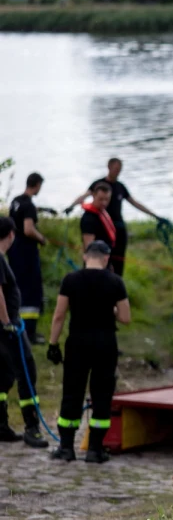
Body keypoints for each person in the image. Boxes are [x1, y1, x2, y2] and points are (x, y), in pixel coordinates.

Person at [46, 240, 130, 463]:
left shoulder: (70, 280)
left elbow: (59, 316)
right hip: (105, 344)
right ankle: (95, 450)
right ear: (106, 258)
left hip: (77, 343)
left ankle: (66, 448)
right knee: (102, 394)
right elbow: (125, 317)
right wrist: (110, 309)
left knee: (72, 392)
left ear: (85, 257)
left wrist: (53, 344)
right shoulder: (116, 282)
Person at [66, 158, 165, 277]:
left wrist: (154, 215)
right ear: (109, 167)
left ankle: (116, 280)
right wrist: (71, 206)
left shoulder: (120, 187)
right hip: (100, 226)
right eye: (116, 169)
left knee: (117, 261)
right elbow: (84, 196)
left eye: (120, 170)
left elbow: (135, 203)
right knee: (98, 255)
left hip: (117, 228)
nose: (118, 172)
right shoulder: (98, 186)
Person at [0, 217, 50, 448]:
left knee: (4, 374)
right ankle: (32, 428)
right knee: (26, 372)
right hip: (8, 327)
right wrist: (6, 322)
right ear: (11, 234)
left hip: (4, 327)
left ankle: (1, 425)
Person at [9, 173, 49, 344]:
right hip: (27, 252)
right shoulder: (29, 206)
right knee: (31, 291)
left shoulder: (16, 201)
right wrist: (42, 239)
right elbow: (28, 229)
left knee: (17, 287)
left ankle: (17, 326)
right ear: (37, 185)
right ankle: (30, 333)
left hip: (13, 249)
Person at [79, 182, 117, 262]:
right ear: (93, 195)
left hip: (106, 260)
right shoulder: (89, 218)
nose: (104, 203)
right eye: (100, 199)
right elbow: (89, 246)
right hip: (95, 263)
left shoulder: (102, 213)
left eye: (107, 199)